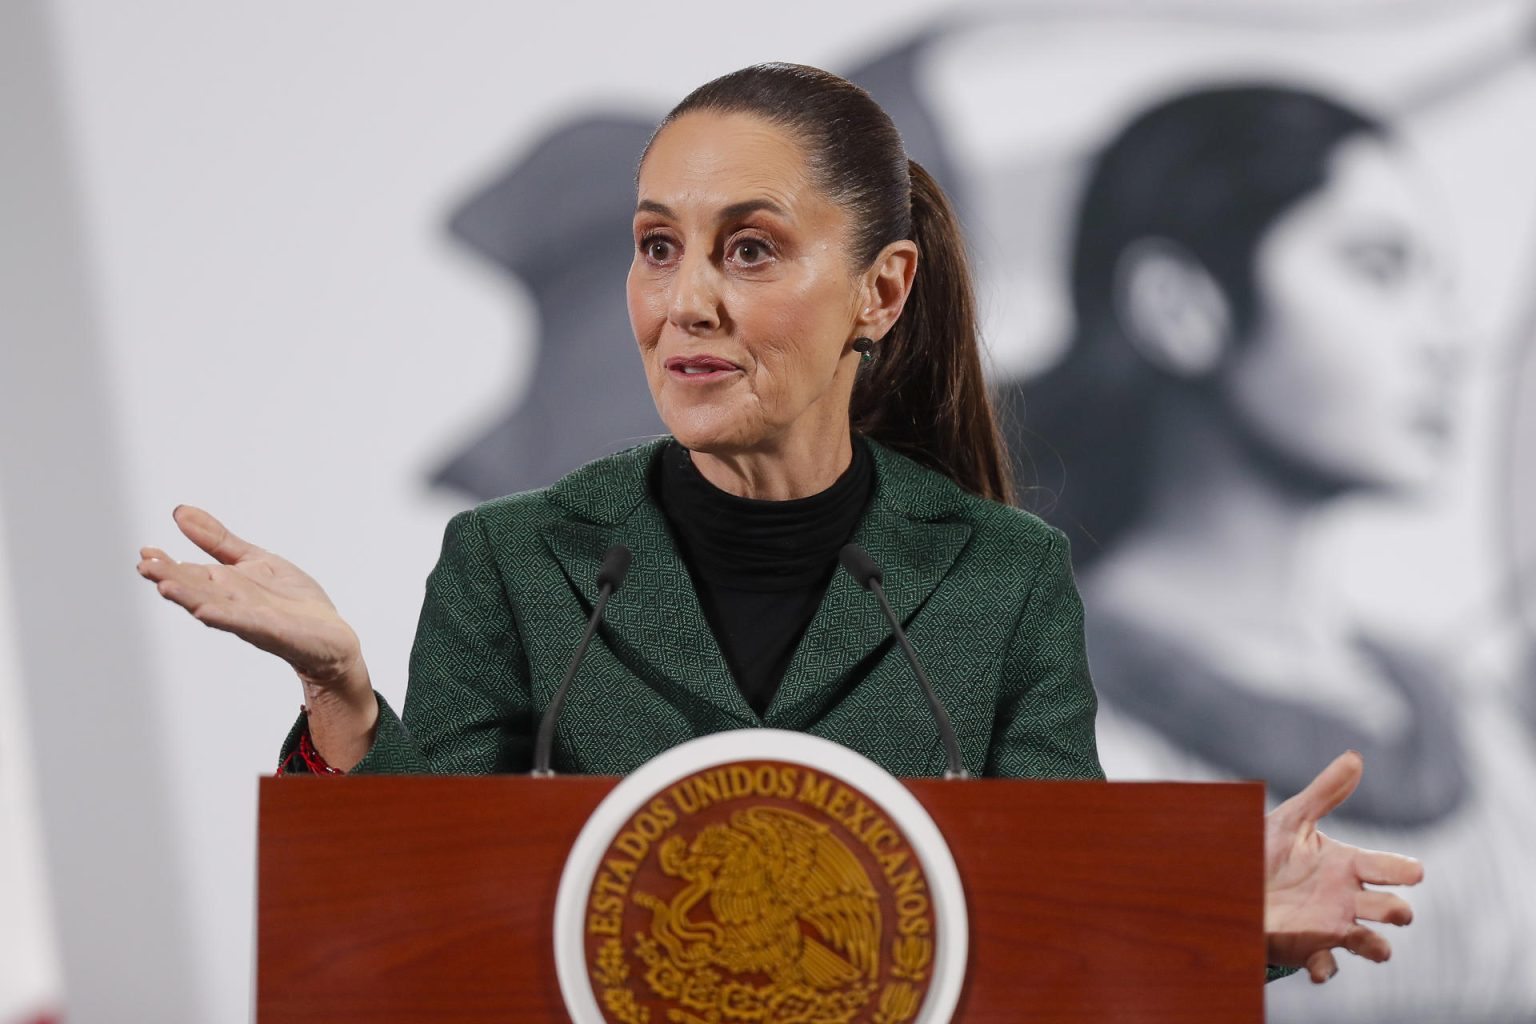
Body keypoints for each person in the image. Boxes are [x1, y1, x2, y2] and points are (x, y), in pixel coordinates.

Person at [136, 63, 1419, 985]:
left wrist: (1212, 910)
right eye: (656, 248)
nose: (682, 301)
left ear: (881, 288)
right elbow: (415, 937)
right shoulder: (516, 558)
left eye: (748, 249)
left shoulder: (1006, 572)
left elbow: (1052, 935)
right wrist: (343, 695)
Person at [1002, 84, 1536, 1017]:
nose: (1445, 337)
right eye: (1378, 269)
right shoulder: (1031, 728)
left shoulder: (1480, 734)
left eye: (1443, 288)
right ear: (1180, 304)